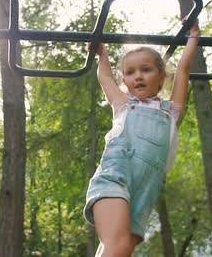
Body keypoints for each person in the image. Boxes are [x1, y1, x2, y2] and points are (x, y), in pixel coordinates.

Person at [83, 21, 201, 256]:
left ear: (160, 76)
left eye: (146, 70)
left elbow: (183, 70)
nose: (138, 76)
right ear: (124, 81)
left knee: (121, 248)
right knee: (116, 245)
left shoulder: (171, 110)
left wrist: (194, 37)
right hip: (115, 176)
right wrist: (102, 54)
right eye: (130, 72)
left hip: (146, 191)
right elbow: (105, 78)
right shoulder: (123, 104)